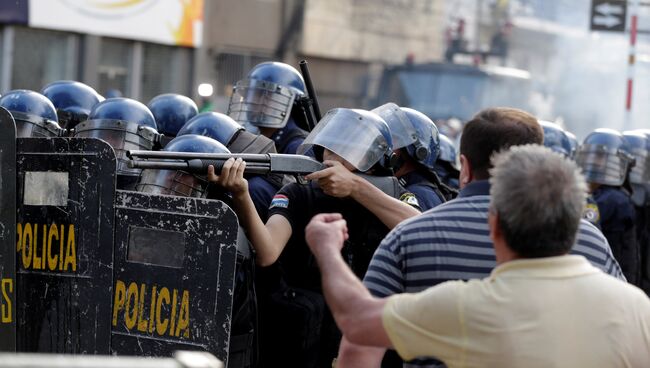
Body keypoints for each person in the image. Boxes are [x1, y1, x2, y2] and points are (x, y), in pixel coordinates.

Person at [306, 145, 650, 368]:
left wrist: (326, 249)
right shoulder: (637, 308)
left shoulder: (466, 305)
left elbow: (357, 321)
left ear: (495, 226)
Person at [208, 108, 420, 368]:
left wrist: (355, 187)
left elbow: (418, 227)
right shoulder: (299, 193)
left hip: (369, 336)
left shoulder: (394, 195)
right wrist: (241, 195)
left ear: (375, 160)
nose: (334, 155)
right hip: (307, 338)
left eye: (350, 149)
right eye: (331, 146)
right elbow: (267, 252)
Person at [227, 61, 312, 218]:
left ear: (290, 101)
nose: (252, 101)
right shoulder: (252, 135)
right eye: (252, 94)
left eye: (264, 95)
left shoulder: (298, 145)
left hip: (284, 226)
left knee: (255, 188)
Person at [576, 128, 638, 285]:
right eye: (593, 156)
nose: (595, 162)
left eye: (601, 157)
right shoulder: (604, 196)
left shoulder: (615, 200)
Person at [373, 103, 454, 209]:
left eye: (392, 142)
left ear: (415, 153)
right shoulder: (398, 186)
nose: (382, 148)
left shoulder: (420, 195)